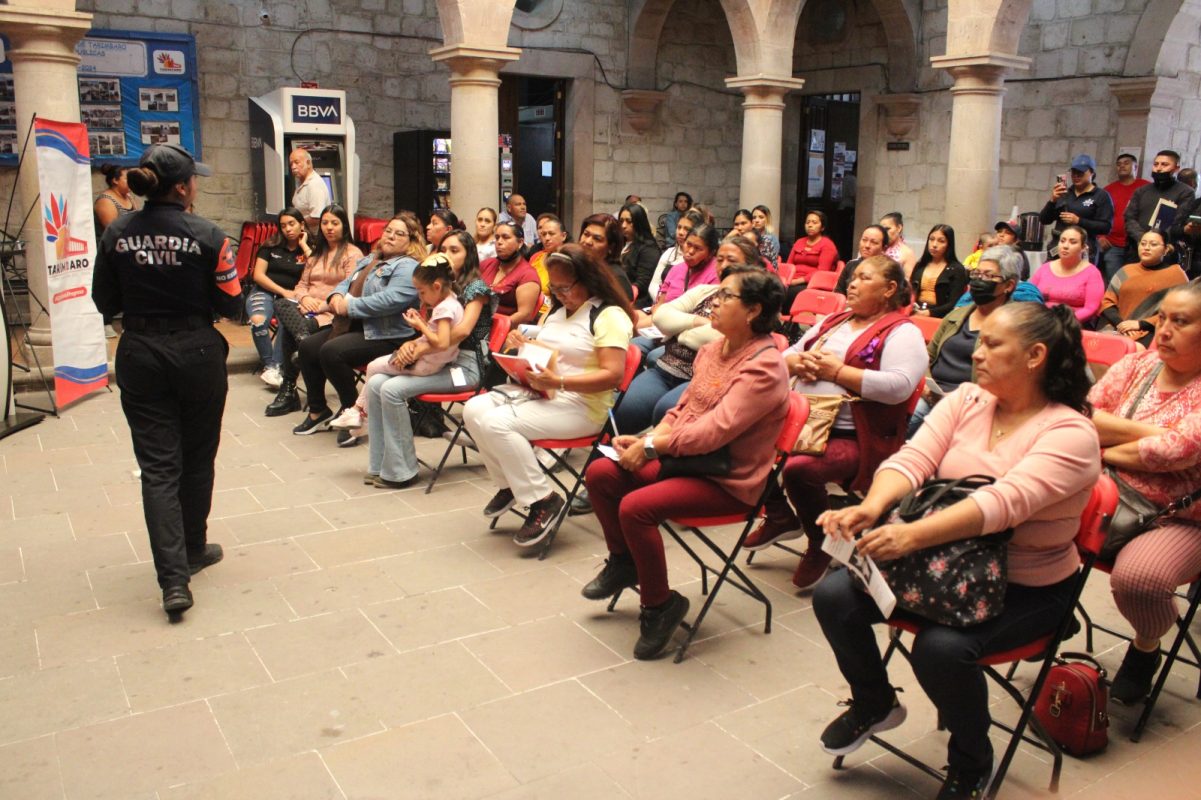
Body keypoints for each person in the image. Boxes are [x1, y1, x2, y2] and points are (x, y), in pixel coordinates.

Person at [813, 301, 1100, 798]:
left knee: (941, 649)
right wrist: (871, 507)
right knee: (834, 596)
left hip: (1025, 585)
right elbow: (913, 459)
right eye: (979, 341)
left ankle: (971, 760)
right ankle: (875, 701)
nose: (976, 353)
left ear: (1035, 356)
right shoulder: (968, 399)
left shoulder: (1071, 433)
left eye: (992, 344)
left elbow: (1003, 503)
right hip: (942, 564)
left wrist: (910, 536)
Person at [580, 266, 790, 659]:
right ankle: (624, 562)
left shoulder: (764, 367)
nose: (713, 302)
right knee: (601, 473)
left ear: (752, 311)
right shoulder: (713, 349)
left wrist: (653, 447)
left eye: (726, 296)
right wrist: (648, 438)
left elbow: (714, 432)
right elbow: (684, 408)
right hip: (688, 460)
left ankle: (660, 606)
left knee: (637, 508)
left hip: (728, 478)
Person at [91, 144, 241, 617]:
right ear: (182, 188)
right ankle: (193, 548)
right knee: (198, 456)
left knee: (158, 468)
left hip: (140, 352)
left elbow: (103, 301)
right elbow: (232, 303)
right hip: (198, 353)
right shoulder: (209, 235)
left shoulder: (117, 232)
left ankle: (174, 581)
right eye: (194, 179)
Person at [746, 256, 927, 590]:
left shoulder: (903, 332)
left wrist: (838, 372)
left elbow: (899, 387)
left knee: (798, 469)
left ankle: (820, 542)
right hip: (804, 423)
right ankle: (781, 515)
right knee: (740, 442)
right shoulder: (836, 320)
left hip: (857, 436)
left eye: (864, 278)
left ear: (889, 289)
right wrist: (798, 362)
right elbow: (787, 353)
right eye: (853, 277)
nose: (852, 284)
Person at [463, 245, 635, 547]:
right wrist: (522, 344)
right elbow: (549, 349)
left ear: (588, 280)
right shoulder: (557, 311)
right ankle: (511, 484)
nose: (559, 294)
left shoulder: (609, 316)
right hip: (545, 391)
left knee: (497, 424)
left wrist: (560, 381)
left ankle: (543, 499)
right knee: (473, 409)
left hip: (583, 406)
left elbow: (613, 376)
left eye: (565, 288)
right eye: (554, 288)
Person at [1090, 280, 1201, 704]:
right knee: (1022, 516)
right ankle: (1046, 613)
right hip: (1106, 492)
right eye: (1163, 318)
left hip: (1178, 517)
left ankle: (1146, 646)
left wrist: (1104, 445)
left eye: (1181, 321)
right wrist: (1156, 432)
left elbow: (1176, 451)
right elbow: (1083, 416)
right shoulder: (1137, 364)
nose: (1164, 330)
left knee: (1140, 581)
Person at [291, 210, 425, 439]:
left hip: (388, 335)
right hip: (357, 326)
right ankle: (318, 410)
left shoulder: (408, 266)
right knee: (307, 347)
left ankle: (354, 414)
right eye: (388, 231)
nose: (391, 236)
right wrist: (335, 297)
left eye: (399, 234)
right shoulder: (372, 258)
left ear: (411, 240)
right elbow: (345, 282)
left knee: (331, 352)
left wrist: (348, 306)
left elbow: (390, 300)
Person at [615, 236, 763, 435]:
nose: (723, 266)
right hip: (665, 368)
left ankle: (654, 448)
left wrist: (679, 332)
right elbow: (661, 316)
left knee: (664, 412)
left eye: (732, 260)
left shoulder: (750, 306)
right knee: (622, 412)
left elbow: (716, 337)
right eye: (720, 259)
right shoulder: (705, 291)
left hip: (701, 378)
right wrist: (697, 321)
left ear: (751, 267)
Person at [909, 246, 1025, 436]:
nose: (979, 280)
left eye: (988, 276)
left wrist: (959, 398)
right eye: (977, 273)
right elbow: (927, 355)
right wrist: (926, 388)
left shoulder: (1014, 325)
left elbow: (1009, 379)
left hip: (974, 404)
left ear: (1009, 285)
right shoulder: (956, 315)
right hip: (932, 395)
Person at [267, 204, 365, 418]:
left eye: (335, 223)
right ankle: (302, 339)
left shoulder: (352, 254)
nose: (329, 227)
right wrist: (305, 298)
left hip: (330, 313)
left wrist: (320, 303)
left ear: (344, 226)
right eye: (325, 223)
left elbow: (351, 289)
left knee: (288, 329)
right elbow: (301, 285)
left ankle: (288, 390)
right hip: (305, 309)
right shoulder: (317, 253)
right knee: (281, 303)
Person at [248, 208, 310, 390]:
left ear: (302, 224)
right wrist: (282, 291)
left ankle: (276, 367)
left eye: (292, 224)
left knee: (288, 321)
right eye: (283, 226)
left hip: (294, 296)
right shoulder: (270, 246)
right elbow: (258, 275)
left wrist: (305, 245)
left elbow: (317, 269)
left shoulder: (310, 247)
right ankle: (271, 366)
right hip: (266, 290)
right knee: (258, 321)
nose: (288, 229)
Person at [1099, 229, 1189, 344]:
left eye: (1153, 244)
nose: (1146, 248)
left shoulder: (1176, 275)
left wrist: (1141, 324)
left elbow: (1180, 311)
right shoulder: (1126, 270)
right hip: (1119, 327)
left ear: (1166, 249)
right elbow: (1107, 302)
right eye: (1143, 243)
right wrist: (1121, 324)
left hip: (1155, 331)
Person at [1038, 154, 1114, 262]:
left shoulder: (1101, 196)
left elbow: (1106, 227)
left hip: (1084, 250)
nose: (1076, 176)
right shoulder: (1064, 193)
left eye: (1080, 172)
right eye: (1074, 172)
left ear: (1092, 173)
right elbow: (1044, 219)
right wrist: (1052, 200)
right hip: (1058, 248)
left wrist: (1078, 221)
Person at [93, 163, 140, 338]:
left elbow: (138, 218)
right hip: (111, 248)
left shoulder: (129, 197)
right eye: (126, 178)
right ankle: (106, 322)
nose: (130, 182)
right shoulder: (105, 200)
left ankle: (130, 321)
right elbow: (112, 230)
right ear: (115, 180)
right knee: (110, 284)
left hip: (128, 247)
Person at [1030, 225, 1105, 325]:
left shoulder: (1092, 273)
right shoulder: (1045, 268)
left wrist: (1063, 322)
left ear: (1083, 247)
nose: (1065, 246)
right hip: (1041, 321)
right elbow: (1029, 294)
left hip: (1072, 325)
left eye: (1073, 242)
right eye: (1062, 241)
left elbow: (1091, 308)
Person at [1126, 150, 1195, 251]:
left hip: (1165, 248)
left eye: (1164, 164)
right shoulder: (1141, 190)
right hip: (1137, 245)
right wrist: (1144, 239)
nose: (1158, 168)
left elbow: (1178, 222)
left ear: (1176, 168)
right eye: (1156, 164)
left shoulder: (1186, 192)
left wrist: (1156, 241)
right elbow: (1129, 218)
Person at [1099, 153, 1151, 281]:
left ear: (1135, 167)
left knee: (1136, 281)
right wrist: (1100, 236)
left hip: (1138, 244)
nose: (1122, 166)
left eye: (1126, 163)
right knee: (1114, 281)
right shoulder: (1108, 190)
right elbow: (1099, 214)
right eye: (1119, 164)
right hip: (1112, 244)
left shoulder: (1147, 188)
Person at [481, 221, 540, 324]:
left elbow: (525, 315)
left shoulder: (528, 275)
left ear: (520, 242)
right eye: (497, 237)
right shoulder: (486, 264)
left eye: (505, 237)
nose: (499, 242)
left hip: (505, 328)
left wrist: (493, 326)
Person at [909, 224, 969, 318]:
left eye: (941, 241)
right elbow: (910, 292)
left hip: (940, 316)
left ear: (949, 244)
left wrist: (930, 313)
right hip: (915, 312)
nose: (934, 245)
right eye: (931, 239)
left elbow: (954, 302)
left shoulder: (957, 269)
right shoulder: (920, 265)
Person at [784, 209, 840, 306]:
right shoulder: (799, 242)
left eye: (814, 222)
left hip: (812, 283)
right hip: (792, 280)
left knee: (789, 292)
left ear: (822, 227)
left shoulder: (827, 245)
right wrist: (787, 279)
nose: (810, 225)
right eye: (807, 222)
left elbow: (821, 272)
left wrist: (796, 281)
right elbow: (789, 265)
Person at [648, 208, 704, 301]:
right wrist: (661, 301)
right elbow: (654, 284)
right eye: (679, 227)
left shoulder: (698, 257)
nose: (680, 232)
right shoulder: (669, 253)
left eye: (686, 229)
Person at [578, 213, 635, 298]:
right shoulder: (578, 265)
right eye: (586, 234)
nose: (587, 241)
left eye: (597, 239)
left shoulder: (616, 278)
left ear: (611, 247)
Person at [619, 202, 661, 300]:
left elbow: (642, 283)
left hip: (635, 299)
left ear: (639, 222)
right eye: (621, 221)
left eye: (629, 221)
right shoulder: (618, 243)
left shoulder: (648, 248)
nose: (623, 225)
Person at [835, 224, 890, 296]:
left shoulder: (888, 270)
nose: (867, 245)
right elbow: (838, 294)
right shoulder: (850, 265)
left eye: (874, 242)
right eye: (864, 240)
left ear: (884, 248)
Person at [289, 148, 330, 231]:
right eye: (291, 164)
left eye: (296, 162)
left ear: (308, 163)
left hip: (314, 237)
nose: (293, 167)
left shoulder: (314, 184)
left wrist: (295, 224)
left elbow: (317, 217)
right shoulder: (301, 182)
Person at [880, 212, 918, 277]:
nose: (884, 233)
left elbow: (908, 280)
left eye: (887, 229)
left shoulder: (907, 253)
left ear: (899, 228)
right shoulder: (878, 247)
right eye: (882, 230)